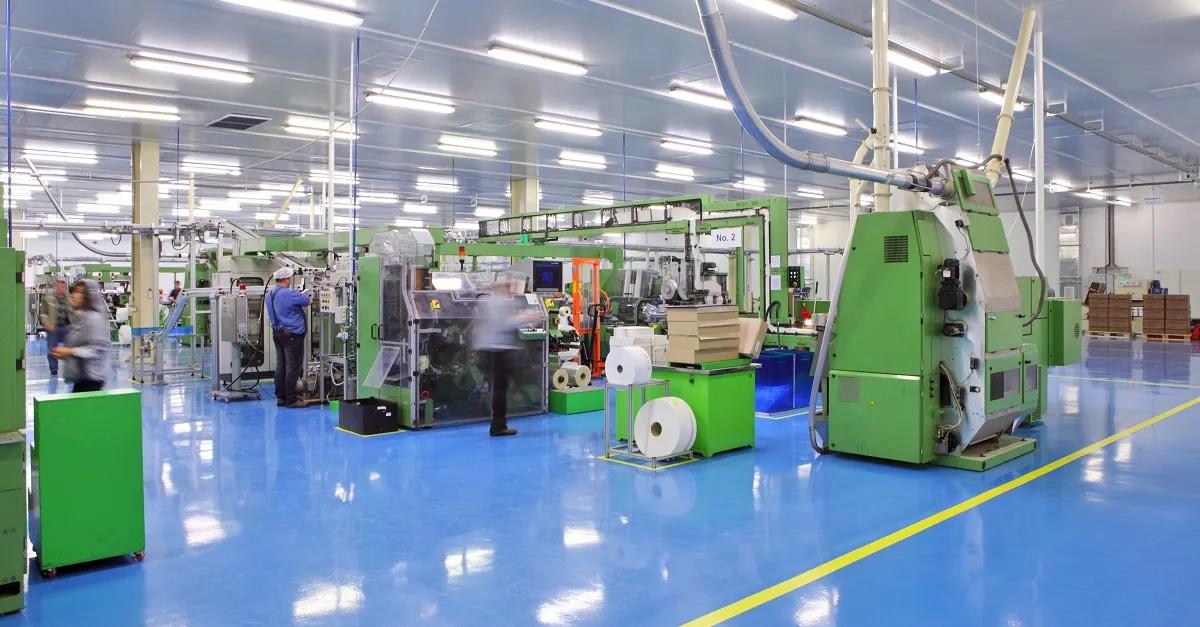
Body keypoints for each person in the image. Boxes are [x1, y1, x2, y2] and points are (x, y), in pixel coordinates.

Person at [473, 282, 543, 437]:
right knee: (502, 387)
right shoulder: (499, 302)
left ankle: (499, 423)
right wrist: (530, 316)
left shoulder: (486, 301)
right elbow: (506, 323)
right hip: (498, 350)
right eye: (507, 287)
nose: (509, 290)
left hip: (490, 349)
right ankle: (498, 425)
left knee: (499, 387)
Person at [50, 280, 110, 393]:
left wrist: (70, 351)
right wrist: (64, 353)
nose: (73, 295)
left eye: (79, 292)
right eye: (74, 291)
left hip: (92, 379)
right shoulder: (80, 317)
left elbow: (96, 350)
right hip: (81, 378)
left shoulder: (94, 319)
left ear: (89, 296)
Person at [266, 267, 310, 408]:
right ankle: (291, 400)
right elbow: (307, 301)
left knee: (281, 366)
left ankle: (281, 397)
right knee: (293, 367)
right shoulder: (288, 293)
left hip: (278, 334)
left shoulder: (270, 293)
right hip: (292, 335)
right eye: (289, 279)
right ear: (286, 279)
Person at [38, 278, 71, 377]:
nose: (61, 289)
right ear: (55, 287)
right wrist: (47, 323)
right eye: (58, 286)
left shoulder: (70, 299)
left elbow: (75, 312)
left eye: (62, 287)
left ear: (65, 288)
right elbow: (42, 313)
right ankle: (54, 369)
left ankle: (70, 368)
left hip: (67, 327)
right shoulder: (48, 299)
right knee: (52, 350)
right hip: (53, 328)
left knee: (70, 349)